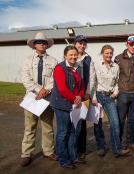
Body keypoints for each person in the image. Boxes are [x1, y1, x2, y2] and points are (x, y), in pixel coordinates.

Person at [20, 32, 58, 167]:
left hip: (47, 99)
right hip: (32, 98)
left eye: (44, 42)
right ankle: (26, 154)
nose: (42, 44)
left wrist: (46, 90)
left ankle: (48, 151)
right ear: (34, 45)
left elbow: (56, 79)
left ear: (47, 44)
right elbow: (25, 78)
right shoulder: (27, 60)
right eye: (39, 42)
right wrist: (38, 90)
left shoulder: (53, 61)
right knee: (30, 127)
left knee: (47, 127)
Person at [50, 45, 85, 169]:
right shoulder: (60, 68)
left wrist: (80, 96)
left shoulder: (78, 67)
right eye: (71, 54)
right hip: (61, 104)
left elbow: (82, 86)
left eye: (75, 54)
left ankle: (73, 156)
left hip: (74, 104)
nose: (73, 57)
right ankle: (63, 159)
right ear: (65, 55)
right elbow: (62, 89)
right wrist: (75, 99)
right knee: (63, 132)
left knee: (72, 132)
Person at [92, 45, 130, 157]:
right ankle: (101, 147)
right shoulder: (96, 65)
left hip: (110, 98)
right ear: (102, 53)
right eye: (106, 53)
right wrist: (93, 97)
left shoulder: (116, 67)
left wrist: (116, 92)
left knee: (115, 123)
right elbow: (93, 82)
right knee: (97, 124)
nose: (109, 55)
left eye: (110, 53)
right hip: (98, 96)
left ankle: (117, 149)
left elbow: (117, 82)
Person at [114, 36, 134, 152]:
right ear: (126, 45)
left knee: (132, 120)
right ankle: (120, 142)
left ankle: (130, 142)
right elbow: (115, 75)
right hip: (123, 93)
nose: (133, 46)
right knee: (121, 119)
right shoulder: (118, 58)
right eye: (131, 44)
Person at [73, 35, 98, 159]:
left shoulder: (88, 59)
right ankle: (71, 148)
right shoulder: (70, 55)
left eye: (84, 44)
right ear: (75, 44)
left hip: (84, 96)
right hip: (70, 96)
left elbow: (92, 77)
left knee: (81, 123)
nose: (82, 46)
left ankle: (81, 150)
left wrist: (88, 93)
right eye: (79, 43)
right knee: (70, 123)